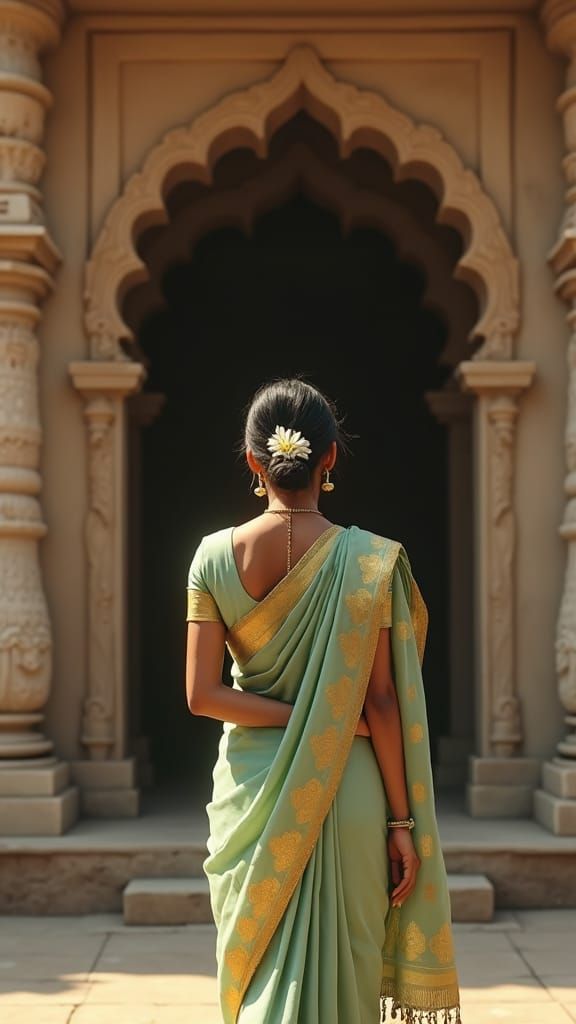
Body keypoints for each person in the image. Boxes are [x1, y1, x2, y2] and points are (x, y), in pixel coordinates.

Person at [185, 378, 460, 1024]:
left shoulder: (211, 559)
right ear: (331, 458)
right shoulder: (371, 563)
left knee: (258, 973)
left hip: (251, 793)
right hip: (350, 786)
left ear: (254, 462)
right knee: (352, 973)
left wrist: (294, 720)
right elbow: (383, 705)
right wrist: (402, 824)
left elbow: (201, 696)